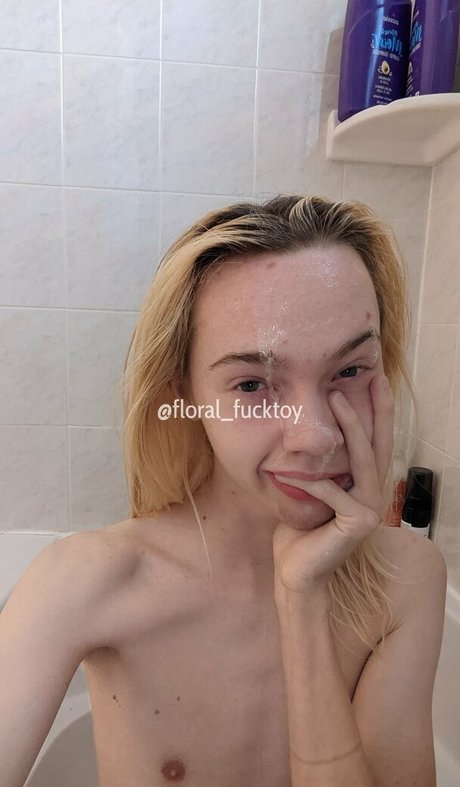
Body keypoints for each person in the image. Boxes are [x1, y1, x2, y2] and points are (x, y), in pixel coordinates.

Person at [1, 195, 447, 787]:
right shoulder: (86, 582)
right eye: (252, 384)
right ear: (184, 397)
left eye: (348, 370)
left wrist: (303, 604)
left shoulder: (405, 579)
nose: (315, 436)